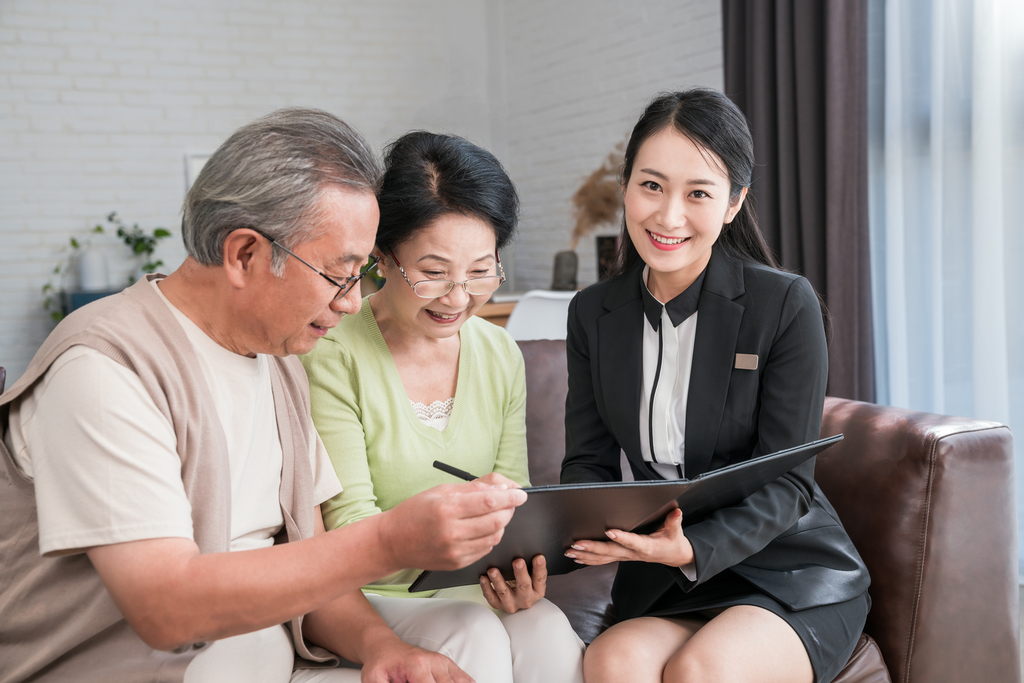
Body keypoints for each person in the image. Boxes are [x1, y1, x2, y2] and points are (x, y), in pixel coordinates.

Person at [0, 109, 529, 683]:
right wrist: (389, 540)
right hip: (142, 669)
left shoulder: (278, 364)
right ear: (244, 254)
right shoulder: (104, 368)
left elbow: (315, 571)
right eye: (340, 274)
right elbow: (166, 609)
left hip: (278, 656)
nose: (353, 303)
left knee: (462, 643)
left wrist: (382, 647)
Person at [559, 89, 871, 683]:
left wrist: (693, 548)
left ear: (733, 203)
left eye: (698, 193)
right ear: (626, 186)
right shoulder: (592, 314)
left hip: (786, 566)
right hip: (663, 575)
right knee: (610, 662)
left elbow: (789, 482)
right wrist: (549, 537)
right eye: (651, 186)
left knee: (704, 670)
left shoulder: (783, 304)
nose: (668, 216)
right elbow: (588, 466)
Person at [301, 131, 585, 683]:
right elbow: (348, 524)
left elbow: (512, 496)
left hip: (474, 587)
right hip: (374, 593)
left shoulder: (498, 351)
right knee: (470, 634)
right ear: (383, 256)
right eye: (433, 273)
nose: (458, 298)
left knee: (547, 628)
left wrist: (521, 565)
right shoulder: (333, 352)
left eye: (481, 271)